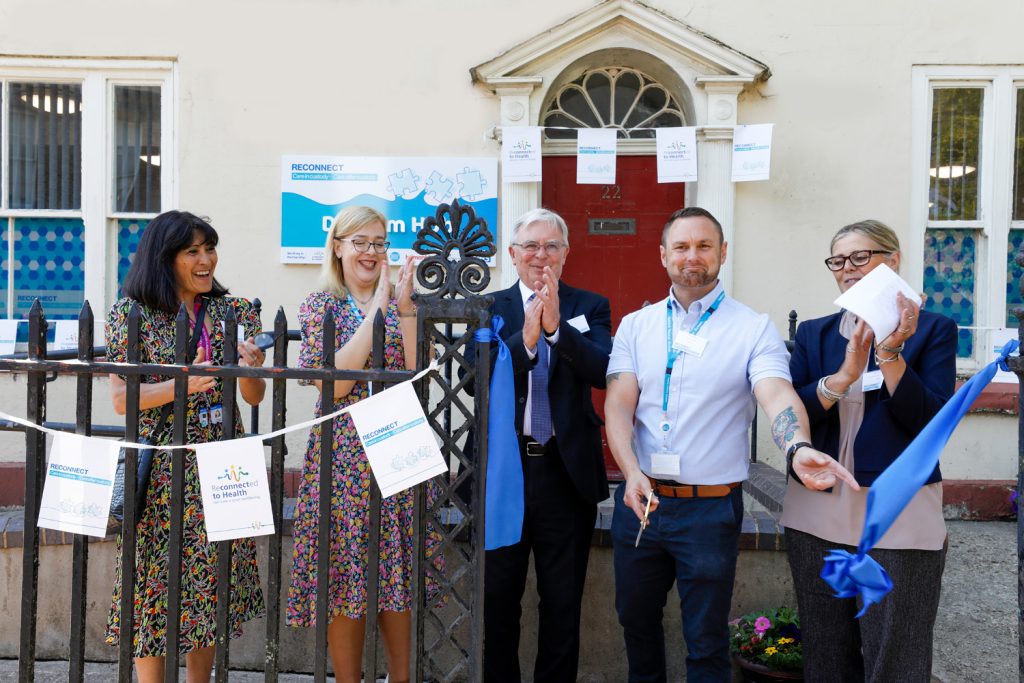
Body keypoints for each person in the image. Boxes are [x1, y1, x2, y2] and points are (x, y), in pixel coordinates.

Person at [603, 206, 857, 682]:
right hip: (641, 501)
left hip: (709, 511)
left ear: (723, 252)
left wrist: (797, 447)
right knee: (635, 624)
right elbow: (618, 404)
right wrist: (632, 472)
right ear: (663, 256)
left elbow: (776, 394)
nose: (691, 257)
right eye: (680, 247)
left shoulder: (752, 327)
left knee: (705, 641)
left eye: (703, 246)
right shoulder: (637, 326)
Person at [782, 219, 957, 682]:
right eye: (838, 260)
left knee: (895, 653)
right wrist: (841, 376)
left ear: (893, 260)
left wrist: (890, 355)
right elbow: (794, 413)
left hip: (897, 509)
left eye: (861, 257)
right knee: (825, 650)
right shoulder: (814, 334)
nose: (848, 269)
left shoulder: (935, 330)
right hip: (816, 507)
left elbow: (931, 423)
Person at [104, 210, 268, 683]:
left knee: (211, 586)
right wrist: (186, 384)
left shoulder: (231, 312)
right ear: (165, 258)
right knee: (151, 584)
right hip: (160, 471)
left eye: (209, 248)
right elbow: (121, 400)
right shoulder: (131, 315)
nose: (205, 260)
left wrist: (251, 368)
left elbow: (253, 397)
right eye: (192, 251)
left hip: (221, 463)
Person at [287, 205, 430, 683]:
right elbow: (338, 385)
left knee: (396, 570)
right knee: (343, 573)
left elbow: (417, 372)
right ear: (339, 247)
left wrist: (404, 308)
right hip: (342, 456)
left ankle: (400, 677)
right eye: (361, 242)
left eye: (379, 243)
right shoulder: (319, 305)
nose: (371, 253)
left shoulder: (401, 301)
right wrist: (378, 308)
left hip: (395, 445)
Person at [483, 207, 612, 683]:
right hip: (505, 473)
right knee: (498, 600)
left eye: (552, 246)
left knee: (562, 604)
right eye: (531, 246)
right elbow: (471, 382)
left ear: (566, 254)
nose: (542, 255)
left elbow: (603, 370)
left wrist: (557, 331)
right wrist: (527, 342)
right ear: (513, 255)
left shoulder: (590, 305)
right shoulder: (491, 308)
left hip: (564, 473)